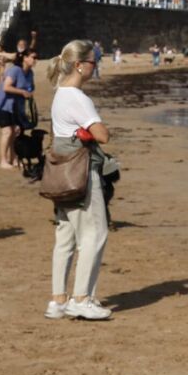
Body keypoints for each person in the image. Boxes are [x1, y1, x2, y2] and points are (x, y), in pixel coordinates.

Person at [47, 40, 113, 321]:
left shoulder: (59, 93)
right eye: (92, 62)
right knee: (94, 234)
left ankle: (59, 300)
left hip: (60, 172)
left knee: (65, 236)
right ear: (79, 65)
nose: (94, 66)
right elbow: (102, 134)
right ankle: (81, 299)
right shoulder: (76, 97)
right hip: (79, 172)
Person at [0, 49, 36, 169]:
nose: (35, 60)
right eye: (33, 57)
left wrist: (28, 94)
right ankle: (3, 160)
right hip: (3, 105)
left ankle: (14, 158)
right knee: (7, 132)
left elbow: (30, 88)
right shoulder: (15, 70)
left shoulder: (30, 73)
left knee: (16, 133)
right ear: (25, 58)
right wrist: (22, 92)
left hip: (16, 107)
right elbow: (6, 87)